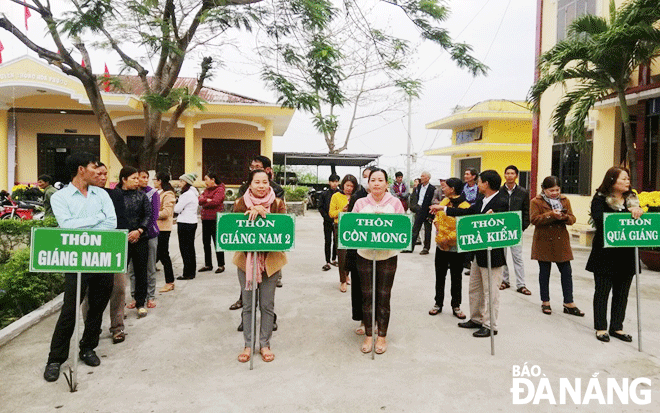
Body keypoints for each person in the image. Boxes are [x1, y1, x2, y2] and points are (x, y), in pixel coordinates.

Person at [43, 152, 117, 382]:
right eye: (95, 167)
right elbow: (67, 226)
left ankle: (88, 347)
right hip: (76, 259)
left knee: (97, 305)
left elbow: (112, 223)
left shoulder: (102, 194)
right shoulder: (60, 197)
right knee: (70, 308)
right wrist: (97, 220)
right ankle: (55, 359)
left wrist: (87, 224)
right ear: (81, 169)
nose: (99, 172)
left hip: (102, 257)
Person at [439, 170, 508, 338]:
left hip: (493, 255)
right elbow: (467, 213)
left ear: (487, 184)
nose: (477, 185)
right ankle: (476, 319)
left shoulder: (501, 202)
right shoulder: (481, 200)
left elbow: (503, 227)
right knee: (475, 288)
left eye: (480, 182)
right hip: (477, 253)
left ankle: (490, 325)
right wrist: (444, 209)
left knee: (491, 292)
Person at [234, 169, 287, 363]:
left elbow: (284, 230)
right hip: (245, 262)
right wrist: (252, 213)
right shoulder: (240, 203)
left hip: (271, 262)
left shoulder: (278, 203)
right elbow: (233, 230)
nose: (262, 186)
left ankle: (264, 344)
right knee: (248, 305)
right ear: (250, 184)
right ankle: (248, 344)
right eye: (257, 182)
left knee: (266, 305)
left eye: (265, 182)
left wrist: (267, 214)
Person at [586, 167, 644, 343]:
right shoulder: (600, 199)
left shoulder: (632, 197)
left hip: (626, 254)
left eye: (628, 179)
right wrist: (624, 216)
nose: (628, 182)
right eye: (624, 179)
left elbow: (639, 219)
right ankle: (601, 327)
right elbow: (600, 220)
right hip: (605, 254)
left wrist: (638, 211)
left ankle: (617, 327)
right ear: (612, 181)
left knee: (622, 293)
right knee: (602, 291)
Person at [353, 168, 405, 354]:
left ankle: (382, 336)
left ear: (386, 183)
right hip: (365, 255)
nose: (376, 183)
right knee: (367, 296)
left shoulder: (395, 203)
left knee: (383, 296)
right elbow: (351, 228)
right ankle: (369, 334)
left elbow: (402, 229)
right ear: (368, 183)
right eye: (372, 179)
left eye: (380, 180)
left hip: (388, 256)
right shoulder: (360, 203)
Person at [82, 162, 129, 344]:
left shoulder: (115, 194)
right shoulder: (82, 196)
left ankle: (117, 327)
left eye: (105, 174)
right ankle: (90, 329)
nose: (102, 177)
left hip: (112, 245)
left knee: (118, 288)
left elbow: (121, 220)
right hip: (89, 248)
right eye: (98, 174)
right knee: (88, 293)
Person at [530, 176, 583, 318]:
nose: (554, 193)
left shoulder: (564, 200)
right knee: (544, 273)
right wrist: (550, 215)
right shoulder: (536, 201)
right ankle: (545, 301)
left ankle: (569, 302)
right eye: (551, 190)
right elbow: (534, 220)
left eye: (557, 190)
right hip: (544, 241)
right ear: (544, 189)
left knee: (566, 272)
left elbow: (572, 219)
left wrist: (564, 217)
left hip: (561, 241)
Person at [428, 178, 469, 319]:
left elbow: (462, 227)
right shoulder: (444, 202)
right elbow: (437, 218)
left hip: (455, 248)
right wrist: (440, 233)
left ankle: (456, 305)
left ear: (452, 189)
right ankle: (438, 303)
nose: (442, 189)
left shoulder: (464, 206)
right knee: (440, 276)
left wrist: (448, 239)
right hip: (441, 247)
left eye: (444, 187)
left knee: (456, 278)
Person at [116, 166, 152, 318]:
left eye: (138, 178)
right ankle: (119, 307)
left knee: (140, 272)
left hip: (140, 238)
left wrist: (139, 230)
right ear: (124, 179)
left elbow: (148, 215)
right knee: (118, 275)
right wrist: (124, 233)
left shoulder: (142, 196)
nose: (138, 181)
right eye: (134, 178)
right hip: (120, 239)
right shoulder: (115, 196)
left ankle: (140, 303)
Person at [346, 166, 377, 335]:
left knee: (377, 287)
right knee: (360, 288)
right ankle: (363, 321)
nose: (369, 181)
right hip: (359, 251)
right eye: (366, 178)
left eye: (371, 177)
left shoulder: (388, 200)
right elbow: (350, 225)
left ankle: (377, 320)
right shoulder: (358, 198)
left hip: (380, 252)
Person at [127, 170, 160, 310]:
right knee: (133, 269)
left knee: (149, 267)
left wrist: (141, 231)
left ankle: (150, 296)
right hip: (131, 236)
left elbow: (153, 216)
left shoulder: (153, 193)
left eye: (147, 177)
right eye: (142, 177)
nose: (145, 180)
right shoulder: (127, 193)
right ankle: (135, 296)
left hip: (149, 235)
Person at [499, 165, 532, 295]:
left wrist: (522, 227)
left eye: (512, 173)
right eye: (507, 173)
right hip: (501, 229)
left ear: (516, 176)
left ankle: (521, 284)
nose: (510, 175)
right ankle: (504, 281)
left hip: (515, 228)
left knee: (517, 257)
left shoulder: (523, 192)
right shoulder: (499, 191)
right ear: (505, 175)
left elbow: (526, 211)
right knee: (503, 256)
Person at [328, 174, 358, 292]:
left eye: (351, 186)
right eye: (347, 185)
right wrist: (343, 210)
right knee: (341, 254)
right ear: (343, 185)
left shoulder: (356, 197)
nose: (349, 188)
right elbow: (331, 213)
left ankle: (347, 274)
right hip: (339, 226)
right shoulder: (336, 196)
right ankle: (342, 281)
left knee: (351, 254)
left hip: (353, 227)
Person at [198, 172, 226, 274]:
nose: (205, 182)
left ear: (213, 179)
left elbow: (215, 202)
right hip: (205, 218)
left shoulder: (220, 189)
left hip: (215, 218)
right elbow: (199, 200)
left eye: (206, 179)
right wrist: (207, 200)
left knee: (216, 242)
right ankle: (208, 264)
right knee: (206, 242)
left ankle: (221, 264)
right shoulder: (206, 190)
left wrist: (205, 201)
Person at [175, 173, 199, 280]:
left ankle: (187, 273)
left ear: (185, 182)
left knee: (185, 249)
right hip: (192, 222)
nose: (179, 183)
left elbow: (176, 209)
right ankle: (191, 271)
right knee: (190, 248)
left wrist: (176, 203)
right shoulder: (194, 192)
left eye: (180, 181)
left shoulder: (186, 194)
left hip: (185, 222)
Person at [154, 172, 176, 293]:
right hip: (157, 228)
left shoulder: (168, 194)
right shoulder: (159, 193)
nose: (153, 182)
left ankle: (170, 281)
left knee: (163, 255)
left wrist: (152, 215)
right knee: (156, 255)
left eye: (155, 180)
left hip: (163, 229)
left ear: (160, 181)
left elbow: (166, 212)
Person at [407, 171, 435, 254]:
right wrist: (414, 207)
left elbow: (432, 201)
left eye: (423, 176)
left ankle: (426, 248)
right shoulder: (418, 187)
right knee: (415, 229)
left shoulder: (432, 189)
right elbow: (414, 197)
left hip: (427, 211)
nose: (421, 178)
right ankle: (410, 248)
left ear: (428, 178)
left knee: (427, 231)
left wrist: (431, 214)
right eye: (421, 176)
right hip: (419, 210)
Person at [318, 174, 340, 271]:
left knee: (336, 241)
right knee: (328, 241)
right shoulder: (324, 194)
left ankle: (334, 259)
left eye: (336, 181)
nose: (334, 184)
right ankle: (327, 261)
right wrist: (326, 217)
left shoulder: (340, 194)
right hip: (327, 221)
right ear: (329, 182)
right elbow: (320, 207)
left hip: (337, 221)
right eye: (332, 181)